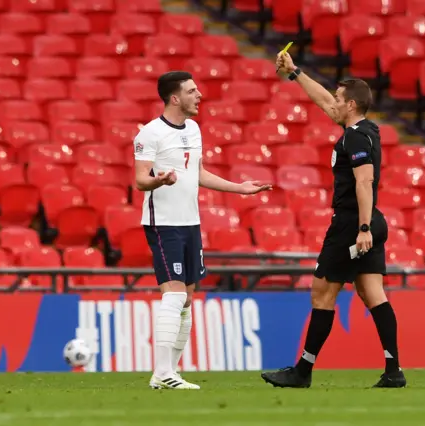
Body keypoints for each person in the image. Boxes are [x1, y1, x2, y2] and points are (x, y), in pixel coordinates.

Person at [260, 53, 406, 389]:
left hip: (353, 224)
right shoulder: (367, 129)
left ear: (351, 104)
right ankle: (393, 370)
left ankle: (303, 372)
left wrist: (364, 228)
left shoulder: (353, 138)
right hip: (370, 220)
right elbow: (323, 99)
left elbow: (364, 181)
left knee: (322, 294)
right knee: (373, 293)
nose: (333, 103)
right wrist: (296, 72)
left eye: (339, 100)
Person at [134, 71, 272, 390]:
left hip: (190, 222)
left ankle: (171, 372)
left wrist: (239, 188)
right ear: (174, 97)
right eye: (192, 91)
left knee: (187, 298)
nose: (199, 95)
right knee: (174, 294)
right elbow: (140, 179)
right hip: (163, 223)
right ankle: (161, 372)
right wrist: (159, 180)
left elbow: (198, 173)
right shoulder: (150, 134)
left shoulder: (194, 129)